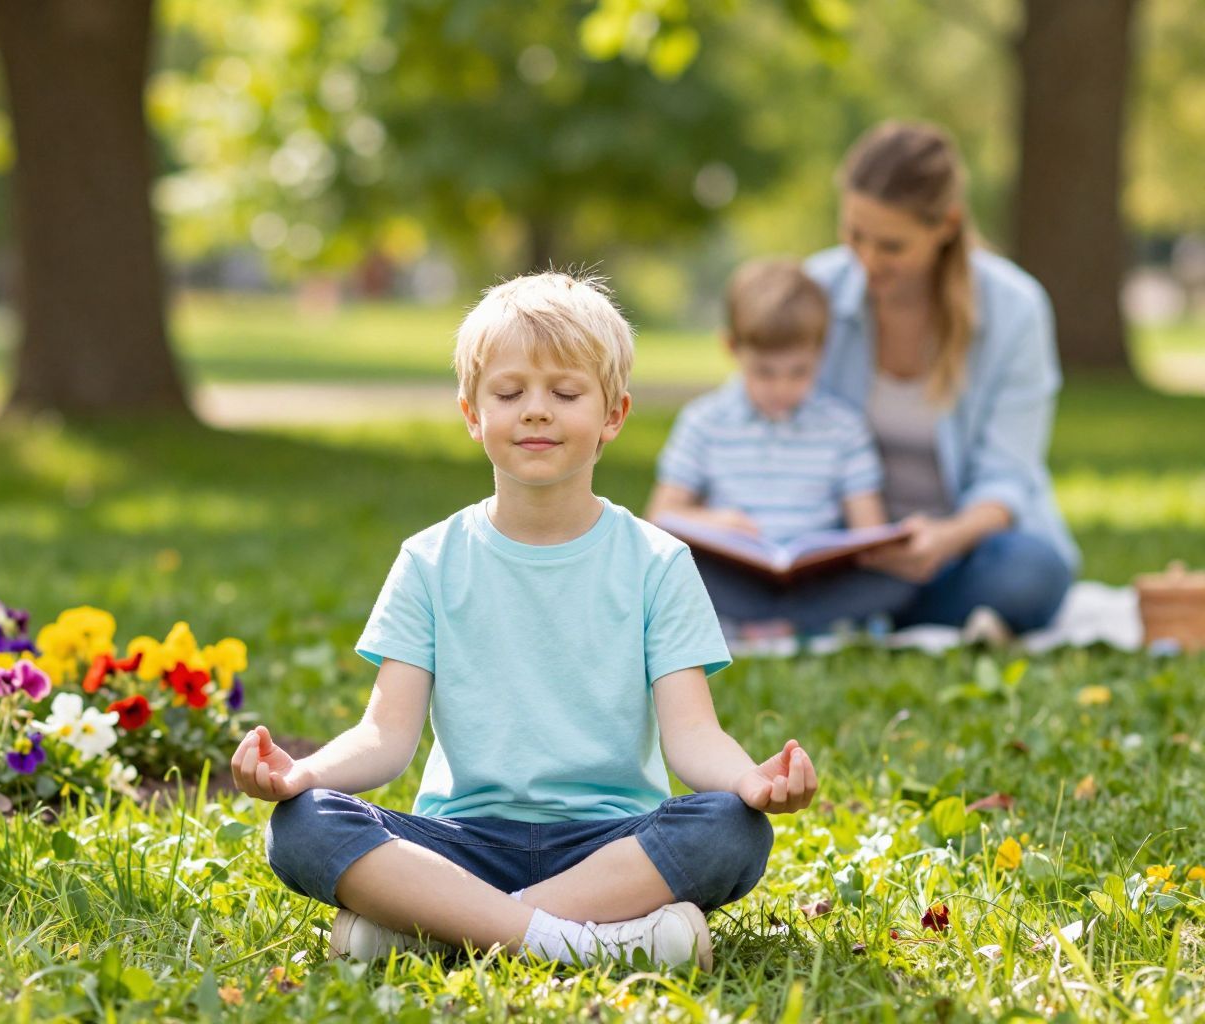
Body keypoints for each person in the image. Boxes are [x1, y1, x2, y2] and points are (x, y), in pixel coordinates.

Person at [238, 270, 815, 969]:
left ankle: (438, 928)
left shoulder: (658, 561)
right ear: (472, 413)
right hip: (459, 843)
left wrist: (752, 783)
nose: (536, 412)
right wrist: (304, 774)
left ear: (613, 414)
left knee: (732, 829)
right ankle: (580, 941)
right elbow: (385, 737)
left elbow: (693, 735)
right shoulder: (429, 560)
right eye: (509, 394)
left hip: (610, 846)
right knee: (302, 826)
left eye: (565, 394)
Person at [808, 121, 1077, 634]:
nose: (866, 261)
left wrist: (945, 540)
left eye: (891, 246)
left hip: (966, 548)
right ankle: (889, 607)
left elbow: (1009, 475)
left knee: (1031, 573)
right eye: (854, 235)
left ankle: (867, 611)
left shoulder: (1015, 309)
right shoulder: (817, 290)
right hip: (842, 544)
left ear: (947, 225)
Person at [646, 259, 918, 634]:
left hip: (814, 584)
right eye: (764, 372)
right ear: (732, 348)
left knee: (896, 582)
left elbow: (867, 531)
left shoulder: (843, 428)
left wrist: (853, 552)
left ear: (821, 353)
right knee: (679, 569)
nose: (781, 388)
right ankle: (791, 625)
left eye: (799, 372)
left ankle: (765, 626)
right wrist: (717, 523)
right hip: (736, 579)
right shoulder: (703, 422)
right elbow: (660, 517)